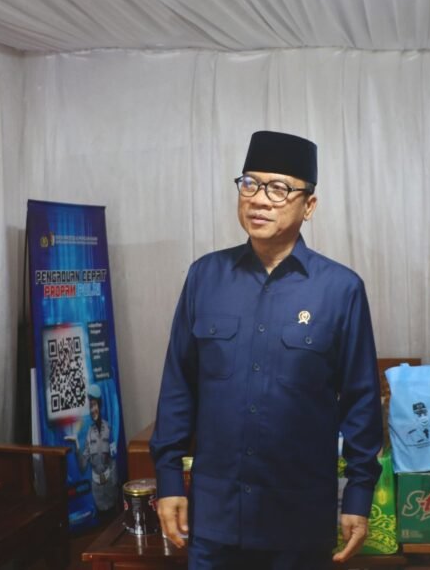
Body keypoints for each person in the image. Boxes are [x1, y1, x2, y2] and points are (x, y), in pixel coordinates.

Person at [150, 130, 382, 569]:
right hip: (215, 518)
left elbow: (361, 401)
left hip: (298, 520)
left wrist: (358, 494)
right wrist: (169, 480)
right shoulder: (204, 277)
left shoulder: (340, 289)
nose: (258, 199)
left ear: (309, 206)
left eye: (278, 189)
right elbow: (178, 386)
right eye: (250, 184)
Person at [80, 384, 118, 515]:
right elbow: (83, 467)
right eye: (90, 407)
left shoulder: (109, 429)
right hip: (97, 492)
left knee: (114, 519)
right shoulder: (89, 434)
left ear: (100, 406)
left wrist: (114, 483)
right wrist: (76, 447)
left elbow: (113, 459)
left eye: (94, 405)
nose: (93, 410)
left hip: (111, 487)